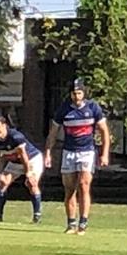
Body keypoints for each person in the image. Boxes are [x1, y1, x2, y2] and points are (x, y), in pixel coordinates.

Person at [44, 79, 111, 235]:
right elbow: (53, 133)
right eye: (74, 93)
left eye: (79, 93)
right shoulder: (64, 110)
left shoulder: (93, 108)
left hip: (87, 151)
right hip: (69, 152)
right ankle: (71, 223)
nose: (76, 96)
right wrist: (48, 152)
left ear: (84, 93)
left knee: (84, 185)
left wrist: (104, 153)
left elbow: (104, 131)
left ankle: (83, 222)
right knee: (69, 189)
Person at [0, 116, 44, 224]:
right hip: (15, 162)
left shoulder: (15, 136)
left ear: (5, 126)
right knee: (3, 183)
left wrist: (28, 172)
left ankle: (37, 216)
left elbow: (23, 155)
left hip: (32, 159)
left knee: (32, 184)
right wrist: (0, 173)